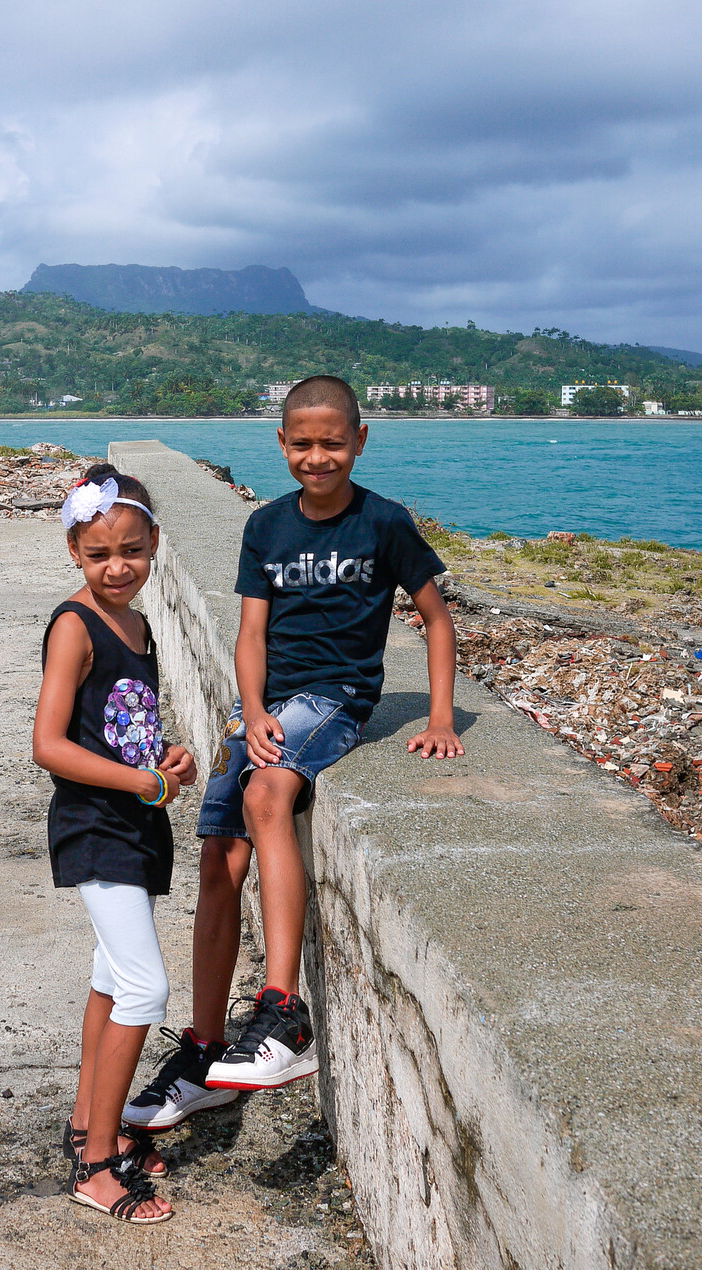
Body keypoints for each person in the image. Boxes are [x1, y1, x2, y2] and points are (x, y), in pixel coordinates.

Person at [123, 375, 464, 1128]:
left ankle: (284, 1017)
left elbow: (436, 621)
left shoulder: (383, 523)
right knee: (218, 855)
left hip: (335, 699)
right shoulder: (267, 528)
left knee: (266, 795)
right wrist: (248, 711)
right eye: (302, 444)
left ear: (360, 441)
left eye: (332, 443)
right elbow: (249, 635)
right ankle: (207, 1054)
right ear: (281, 445)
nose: (318, 457)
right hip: (268, 705)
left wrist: (441, 717)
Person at [33, 463, 197, 1224]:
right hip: (95, 828)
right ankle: (98, 1167)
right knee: (145, 989)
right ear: (74, 551)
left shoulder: (136, 623)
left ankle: (85, 1129)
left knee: (110, 980)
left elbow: (130, 729)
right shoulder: (75, 626)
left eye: (131, 550)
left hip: (134, 825)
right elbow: (49, 745)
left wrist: (171, 762)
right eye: (100, 555)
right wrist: (135, 786)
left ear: (154, 542)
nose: (117, 566)